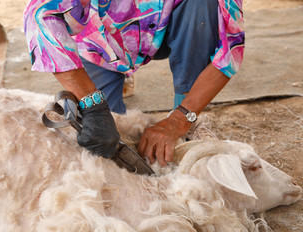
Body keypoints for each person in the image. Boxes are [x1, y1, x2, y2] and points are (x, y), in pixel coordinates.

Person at [23, 0, 245, 167]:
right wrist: (92, 104)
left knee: (202, 5)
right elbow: (39, 14)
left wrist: (179, 121)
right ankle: (117, 71)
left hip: (169, 26)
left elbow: (229, 52)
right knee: (104, 142)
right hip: (98, 43)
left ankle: (189, 121)